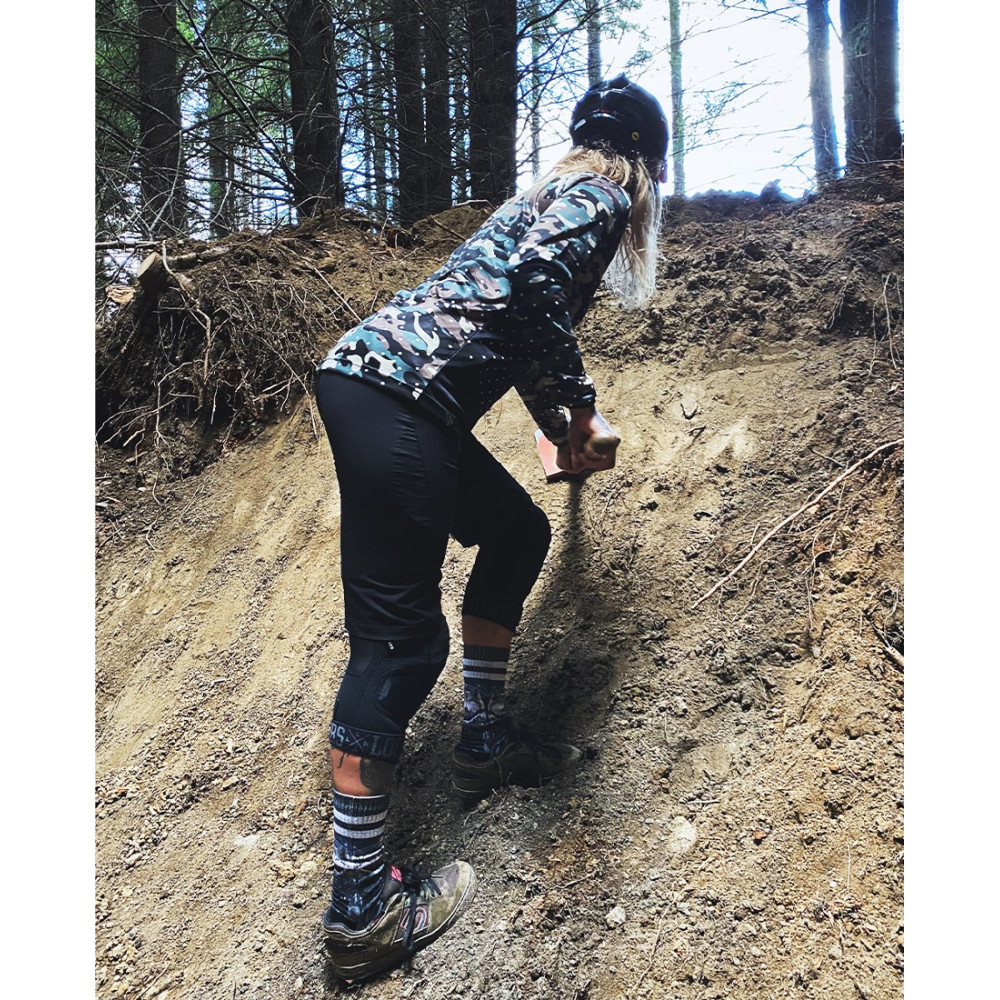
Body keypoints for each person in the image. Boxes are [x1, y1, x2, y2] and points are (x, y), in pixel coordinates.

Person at [314, 74, 669, 982]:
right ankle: (361, 908)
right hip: (401, 398)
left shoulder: (538, 200)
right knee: (400, 647)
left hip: (387, 391)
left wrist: (560, 432)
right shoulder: (598, 195)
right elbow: (537, 285)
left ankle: (483, 738)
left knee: (516, 533)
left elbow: (512, 318)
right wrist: (582, 411)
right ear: (645, 170)